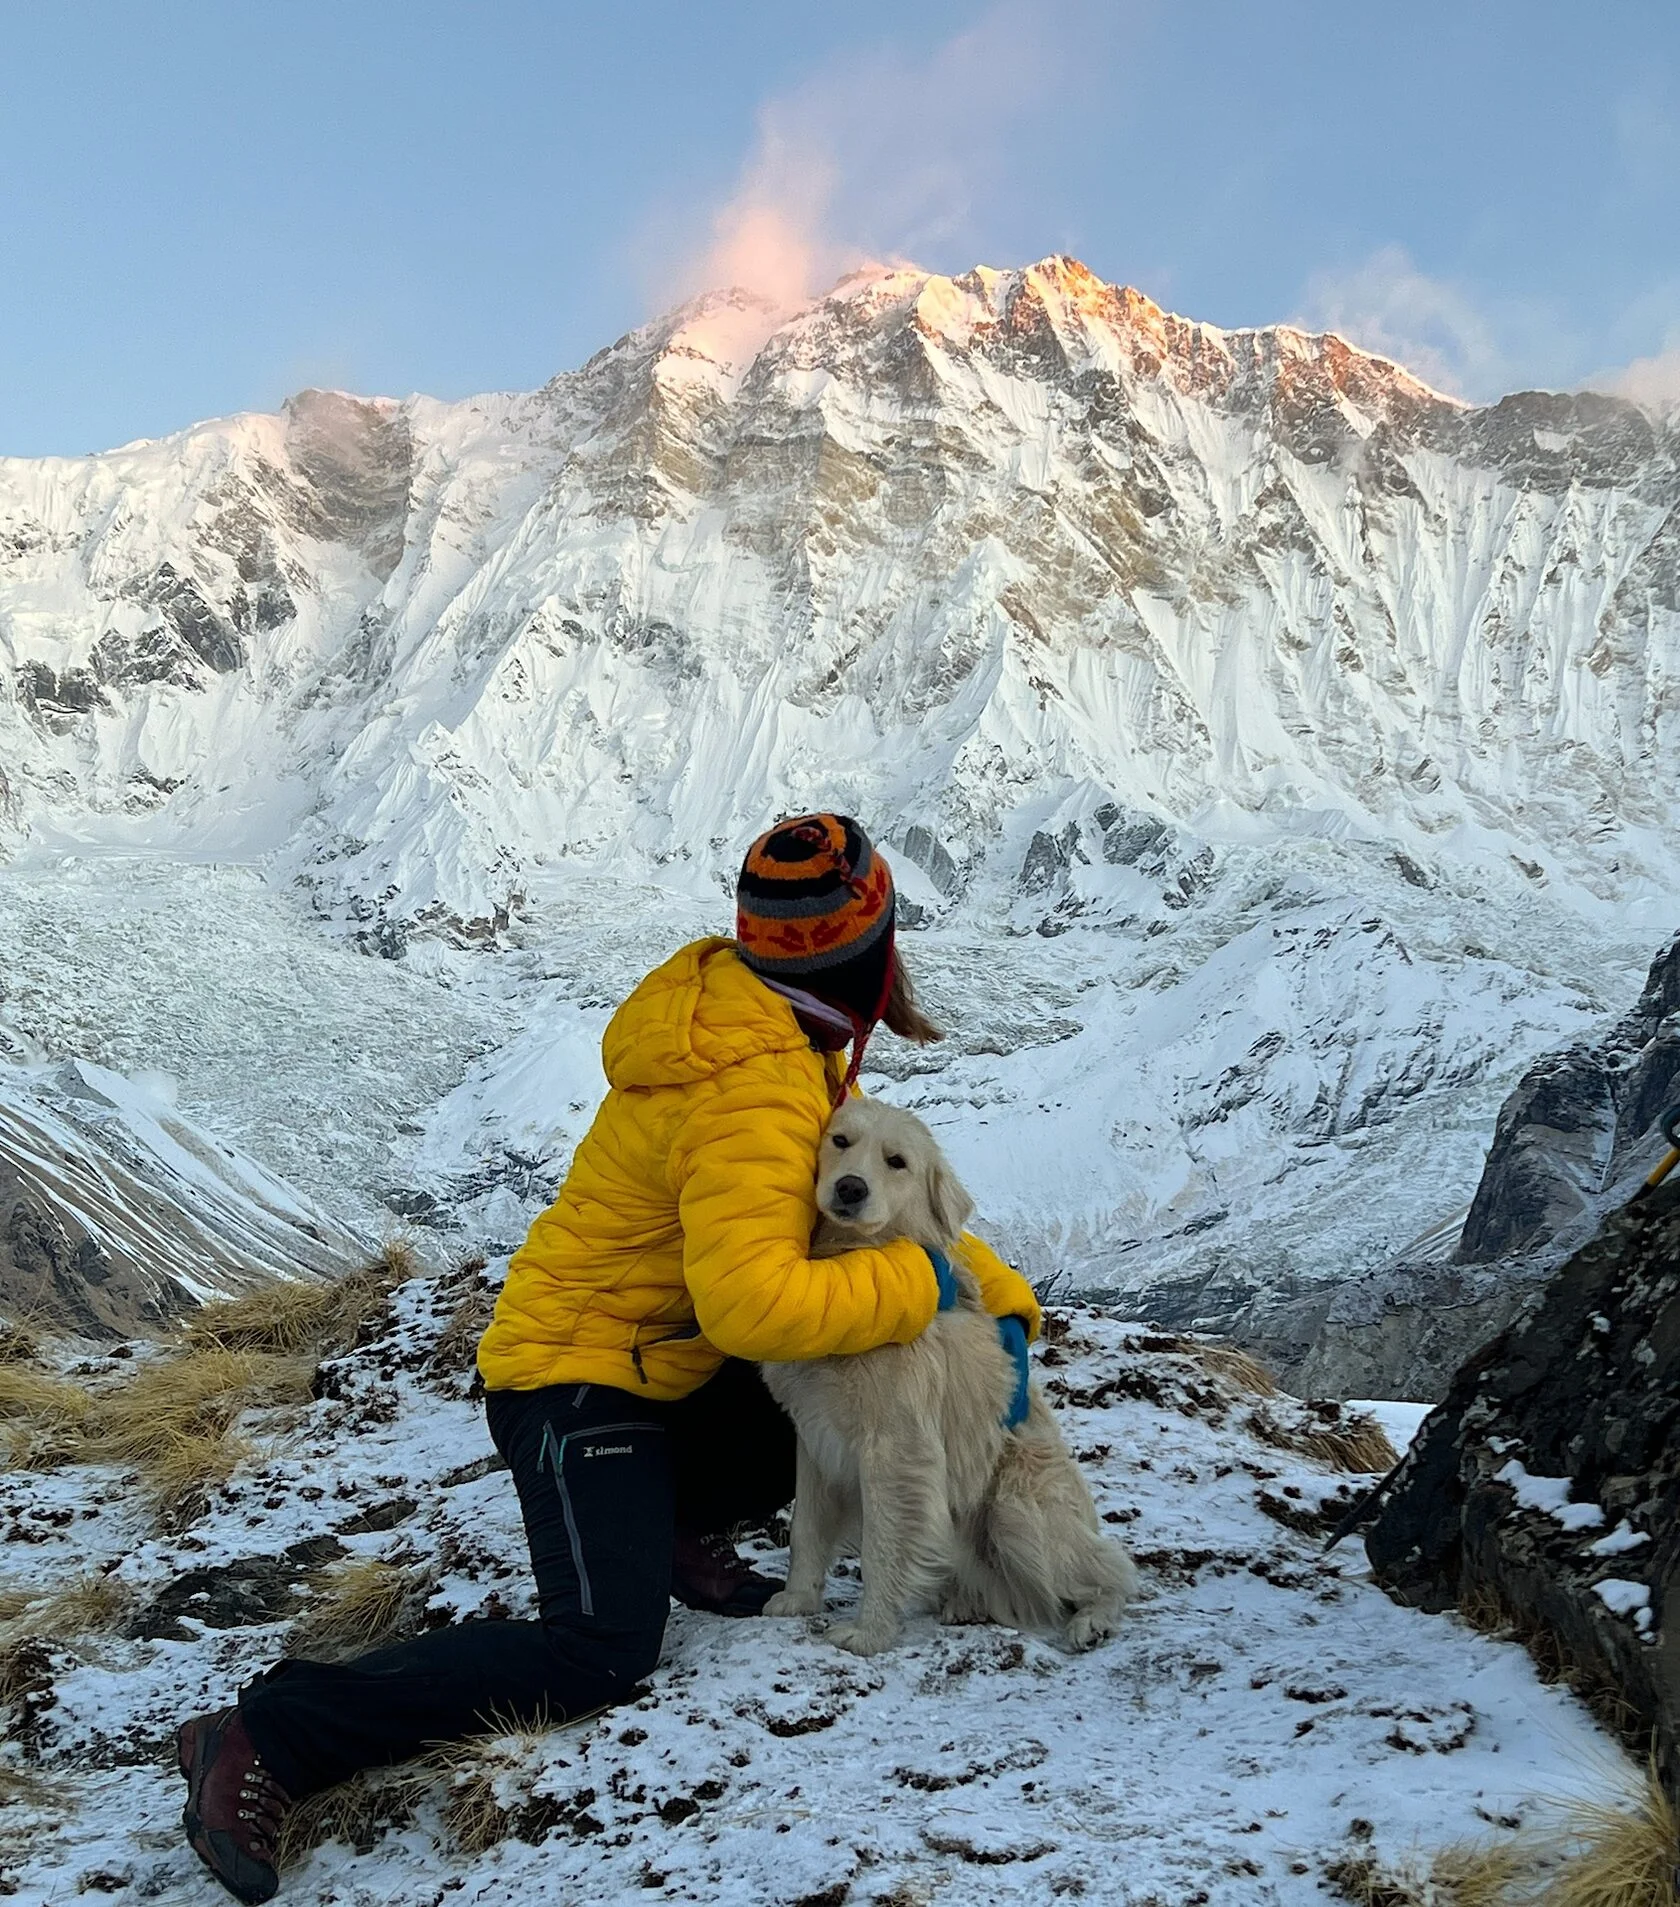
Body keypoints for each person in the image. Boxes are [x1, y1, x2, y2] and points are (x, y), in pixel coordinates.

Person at [175, 814, 1041, 1903]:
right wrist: (921, 1290)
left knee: (851, 1396)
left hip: (659, 1362)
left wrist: (993, 1293)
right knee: (600, 1647)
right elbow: (754, 1302)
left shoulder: (773, 1027)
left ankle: (665, 1514)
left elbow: (864, 1210)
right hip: (576, 1377)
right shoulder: (756, 1085)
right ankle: (266, 1735)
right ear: (866, 952)